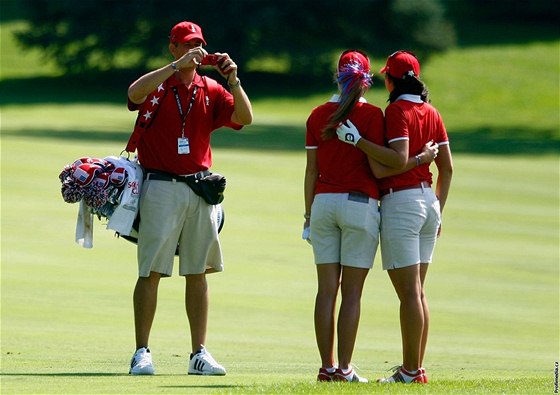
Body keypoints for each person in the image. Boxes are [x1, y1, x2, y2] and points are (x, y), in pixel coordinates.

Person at [126, 20, 253, 375]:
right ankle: (142, 352)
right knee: (151, 270)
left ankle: (198, 353)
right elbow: (134, 94)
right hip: (160, 187)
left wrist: (233, 79)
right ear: (173, 47)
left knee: (198, 272)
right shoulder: (160, 84)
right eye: (186, 46)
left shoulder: (209, 88)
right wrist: (173, 68)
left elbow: (245, 116)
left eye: (197, 46)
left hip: (200, 189)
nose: (193, 53)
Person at [303, 50, 437, 384]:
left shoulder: (317, 115)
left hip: (322, 205)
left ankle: (326, 368)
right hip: (360, 206)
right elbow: (386, 163)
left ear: (338, 77)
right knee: (351, 294)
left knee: (325, 292)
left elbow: (311, 171)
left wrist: (307, 215)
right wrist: (421, 159)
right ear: (365, 81)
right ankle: (345, 369)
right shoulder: (376, 115)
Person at [343, 50, 453, 384]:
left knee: (409, 294)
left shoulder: (397, 110)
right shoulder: (431, 111)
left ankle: (409, 372)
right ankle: (415, 369)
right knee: (418, 293)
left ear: (392, 79)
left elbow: (396, 159)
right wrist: (439, 210)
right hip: (428, 205)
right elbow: (447, 169)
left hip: (402, 206)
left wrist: (359, 141)